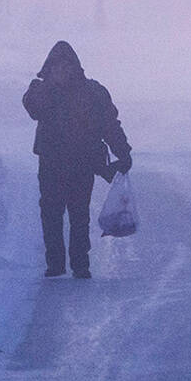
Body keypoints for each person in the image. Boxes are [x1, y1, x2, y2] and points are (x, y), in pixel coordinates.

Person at [23, 40, 132, 279]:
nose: (63, 71)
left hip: (82, 163)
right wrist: (48, 87)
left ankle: (80, 263)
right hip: (51, 163)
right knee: (51, 213)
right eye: (57, 67)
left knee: (79, 214)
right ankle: (55, 263)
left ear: (75, 68)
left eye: (67, 67)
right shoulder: (41, 91)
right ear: (49, 69)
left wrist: (123, 151)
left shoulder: (92, 92)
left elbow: (110, 125)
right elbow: (32, 107)